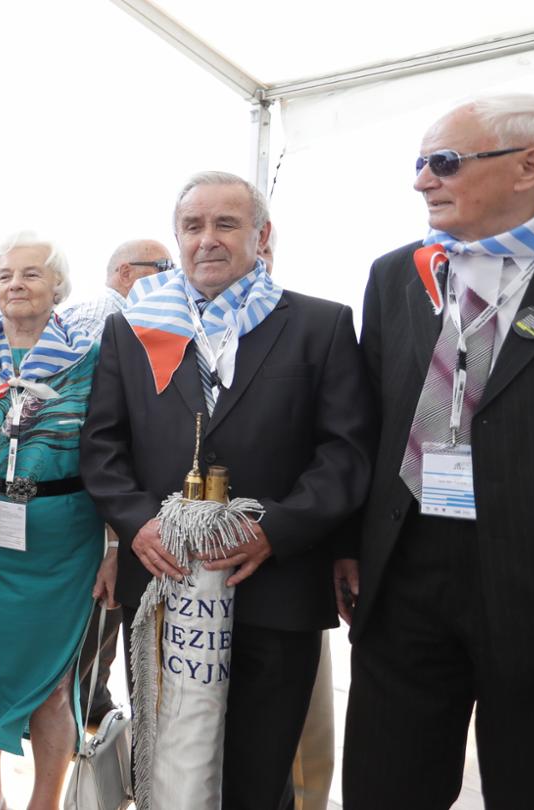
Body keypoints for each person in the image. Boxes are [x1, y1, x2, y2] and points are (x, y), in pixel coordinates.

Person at [343, 93, 534, 807]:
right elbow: (366, 423)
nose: (422, 180)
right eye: (420, 163)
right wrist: (348, 544)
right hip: (406, 568)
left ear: (531, 166)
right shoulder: (399, 272)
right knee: (386, 783)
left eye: (445, 162)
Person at [80, 171, 373, 810]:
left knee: (258, 774)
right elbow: (102, 447)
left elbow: (345, 453)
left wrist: (277, 529)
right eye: (192, 226)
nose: (206, 239)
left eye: (226, 224)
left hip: (275, 586)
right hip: (162, 584)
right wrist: (137, 523)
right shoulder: (133, 330)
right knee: (168, 763)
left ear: (261, 236)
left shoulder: (320, 324)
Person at [0, 233, 106, 810]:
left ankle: (45, 803)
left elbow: (115, 455)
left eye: (31, 273)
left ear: (58, 286)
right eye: (5, 275)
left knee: (55, 680)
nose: (16, 284)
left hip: (64, 547)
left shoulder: (93, 362)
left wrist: (114, 546)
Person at [65, 237, 172, 726]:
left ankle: (87, 705)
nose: (171, 275)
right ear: (127, 272)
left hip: (100, 497)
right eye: (162, 266)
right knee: (99, 612)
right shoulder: (110, 315)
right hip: (95, 498)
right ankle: (79, 713)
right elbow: (94, 417)